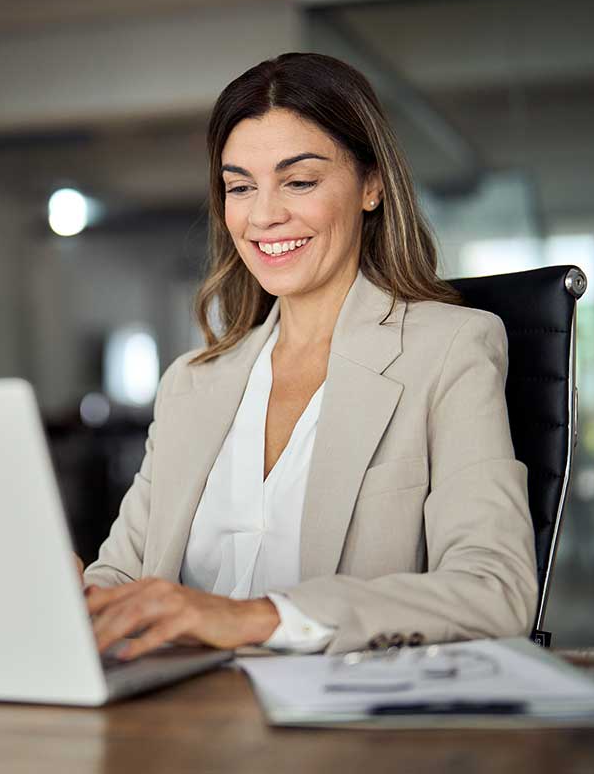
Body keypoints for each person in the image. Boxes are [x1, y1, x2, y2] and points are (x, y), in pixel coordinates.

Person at [81, 53, 537, 659]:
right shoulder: (192, 383)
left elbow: (494, 591)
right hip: (182, 721)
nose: (264, 214)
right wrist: (70, 597)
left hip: (342, 732)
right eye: (240, 186)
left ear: (371, 186)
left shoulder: (449, 349)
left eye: (299, 181)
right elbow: (121, 580)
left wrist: (255, 619)